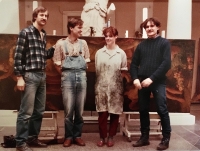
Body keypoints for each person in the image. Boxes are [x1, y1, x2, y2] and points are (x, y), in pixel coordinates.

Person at [14, 6, 55, 151]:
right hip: (30, 76)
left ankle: (32, 138)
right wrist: (20, 77)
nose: (44, 18)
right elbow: (18, 56)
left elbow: (42, 55)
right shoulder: (25, 32)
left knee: (39, 111)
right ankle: (20, 142)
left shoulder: (43, 34)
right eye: (42, 15)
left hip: (42, 75)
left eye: (46, 16)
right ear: (35, 16)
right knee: (26, 112)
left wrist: (56, 48)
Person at [130, 17, 171, 150]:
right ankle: (144, 137)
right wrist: (135, 78)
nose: (149, 29)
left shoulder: (164, 43)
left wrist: (151, 78)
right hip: (142, 82)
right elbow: (134, 64)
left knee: (161, 108)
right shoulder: (141, 45)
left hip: (157, 82)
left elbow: (166, 64)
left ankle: (165, 138)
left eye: (152, 26)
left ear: (158, 27)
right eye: (147, 27)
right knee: (143, 109)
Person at [52, 17, 90, 147]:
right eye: (79, 27)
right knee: (68, 110)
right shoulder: (60, 44)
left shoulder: (83, 43)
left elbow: (87, 62)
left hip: (81, 76)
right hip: (67, 77)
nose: (81, 30)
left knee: (79, 110)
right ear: (71, 28)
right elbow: (56, 63)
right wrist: (65, 75)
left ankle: (77, 136)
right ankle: (68, 136)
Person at [95, 26, 127, 147]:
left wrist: (115, 83)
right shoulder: (99, 53)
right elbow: (97, 70)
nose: (108, 38)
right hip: (101, 88)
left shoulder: (121, 53)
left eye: (110, 36)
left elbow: (123, 71)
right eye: (106, 36)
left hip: (115, 88)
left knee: (114, 114)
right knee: (102, 114)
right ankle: (102, 137)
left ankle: (111, 137)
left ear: (115, 37)